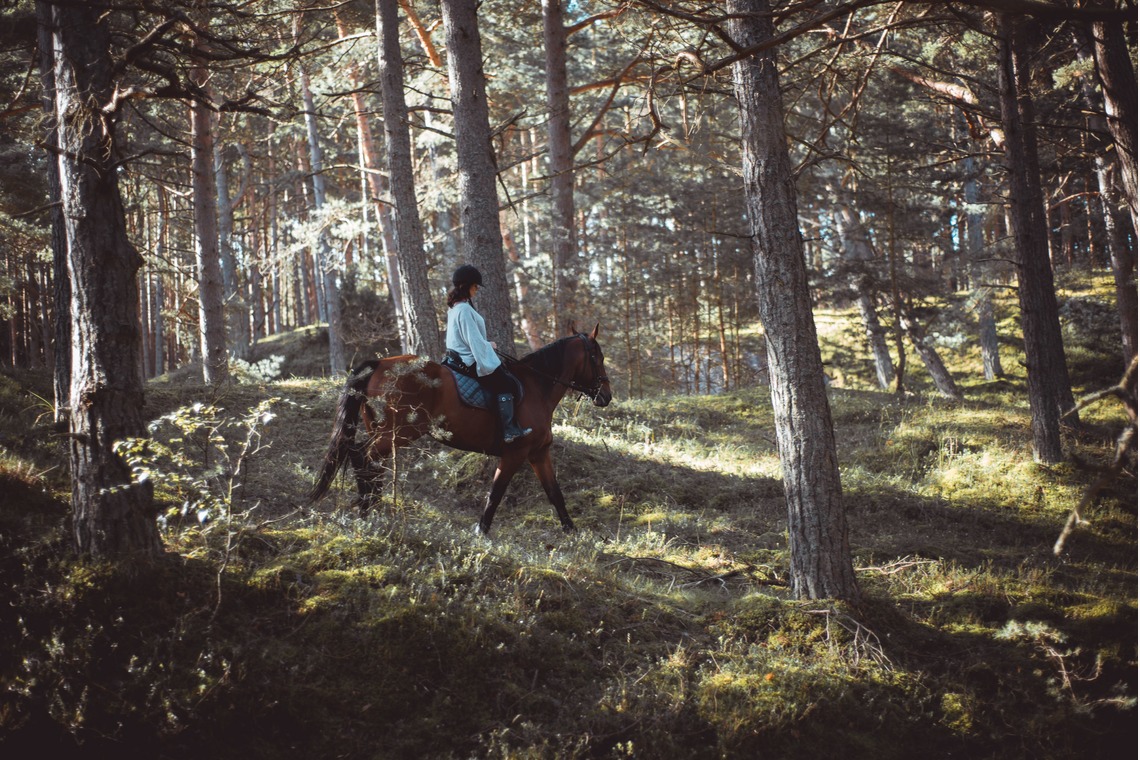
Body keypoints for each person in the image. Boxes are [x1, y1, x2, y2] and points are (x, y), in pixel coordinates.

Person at [444, 264, 531, 443]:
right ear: (467, 286)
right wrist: (488, 346)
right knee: (507, 384)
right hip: (467, 360)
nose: (476, 290)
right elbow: (473, 341)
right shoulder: (465, 310)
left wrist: (485, 345)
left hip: (456, 357)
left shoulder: (454, 308)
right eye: (475, 286)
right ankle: (509, 430)